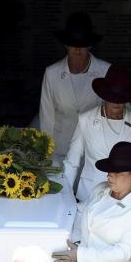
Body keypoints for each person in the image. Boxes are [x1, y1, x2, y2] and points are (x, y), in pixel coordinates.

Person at [63, 63, 131, 237]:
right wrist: (64, 199)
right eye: (112, 98)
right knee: (84, 249)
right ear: (104, 96)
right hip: (89, 196)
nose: (117, 104)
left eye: (121, 99)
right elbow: (72, 162)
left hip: (126, 202)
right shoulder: (85, 120)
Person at [39, 12, 110, 158]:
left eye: (82, 44)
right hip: (61, 150)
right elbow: (47, 117)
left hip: (96, 151)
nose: (77, 49)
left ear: (90, 45)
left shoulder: (106, 71)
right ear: (65, 44)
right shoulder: (52, 73)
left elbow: (121, 113)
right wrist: (46, 152)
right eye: (73, 44)